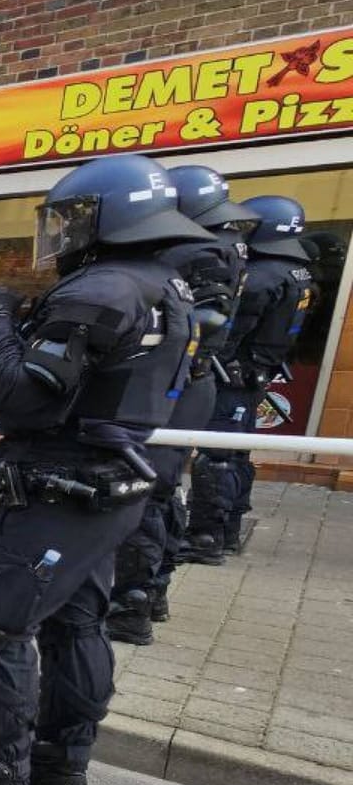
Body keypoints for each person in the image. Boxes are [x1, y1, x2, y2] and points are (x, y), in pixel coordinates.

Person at [0, 153, 205, 785]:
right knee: (77, 625)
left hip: (59, 492)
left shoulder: (101, 291)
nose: (61, 235)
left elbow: (19, 400)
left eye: (72, 220)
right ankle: (61, 766)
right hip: (113, 488)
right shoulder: (168, 287)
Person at [104, 165, 255, 644]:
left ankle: (132, 604)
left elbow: (205, 324)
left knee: (145, 492)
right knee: (163, 491)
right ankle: (152, 590)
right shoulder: (226, 247)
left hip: (176, 386)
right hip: (191, 385)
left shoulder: (198, 251)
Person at [183, 194, 318, 564]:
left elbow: (227, 334)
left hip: (233, 377)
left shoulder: (260, 278)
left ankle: (205, 537)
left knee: (216, 457)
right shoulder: (297, 273)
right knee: (237, 453)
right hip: (256, 374)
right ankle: (228, 527)